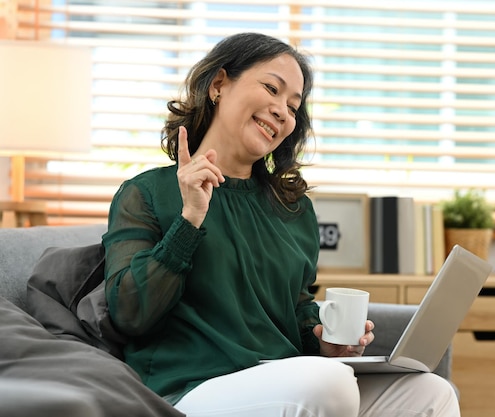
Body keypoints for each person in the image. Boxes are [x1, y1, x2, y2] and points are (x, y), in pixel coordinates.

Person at [102, 32, 460, 417]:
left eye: (293, 106)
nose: (282, 111)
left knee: (431, 392)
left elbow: (298, 310)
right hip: (189, 390)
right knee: (330, 384)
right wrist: (190, 219)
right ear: (219, 85)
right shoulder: (148, 192)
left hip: (286, 381)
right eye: (271, 89)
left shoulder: (293, 210)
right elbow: (129, 313)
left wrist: (326, 342)